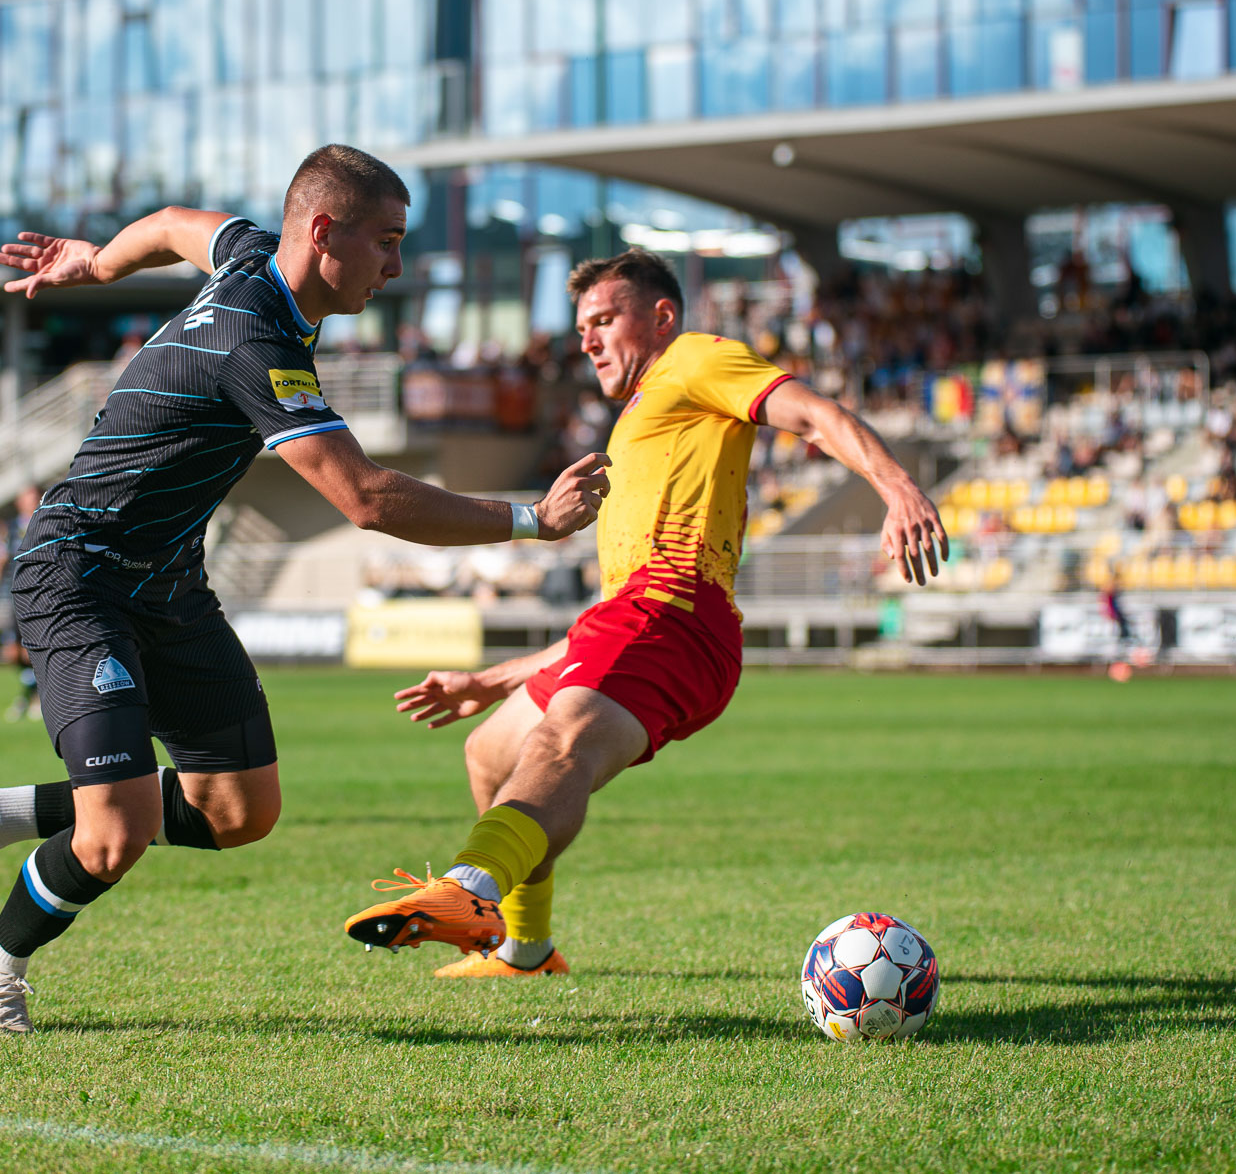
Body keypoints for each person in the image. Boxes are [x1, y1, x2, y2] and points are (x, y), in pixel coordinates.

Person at [0, 144, 610, 1033]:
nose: (396, 267)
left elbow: (173, 226)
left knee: (240, 810)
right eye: (387, 241)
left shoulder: (250, 254)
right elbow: (364, 498)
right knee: (113, 834)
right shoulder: (257, 340)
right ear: (323, 231)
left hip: (168, 583)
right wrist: (531, 520)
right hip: (79, 574)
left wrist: (98, 262)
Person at [344, 248, 946, 977]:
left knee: (560, 742)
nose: (588, 340)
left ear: (661, 316)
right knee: (491, 753)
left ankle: (468, 890)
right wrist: (493, 680)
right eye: (581, 328)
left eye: (604, 320)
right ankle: (525, 950)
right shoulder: (642, 415)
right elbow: (609, 622)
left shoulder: (695, 359)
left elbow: (815, 416)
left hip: (679, 612)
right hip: (636, 617)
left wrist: (898, 488)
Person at [0, 486, 44, 720]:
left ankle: (35, 697)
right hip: (14, 595)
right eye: (26, 498)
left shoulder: (46, 523)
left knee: (33, 649)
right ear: (18, 502)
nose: (30, 501)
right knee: (11, 652)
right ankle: (32, 692)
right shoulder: (9, 529)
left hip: (40, 596)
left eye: (34, 497)